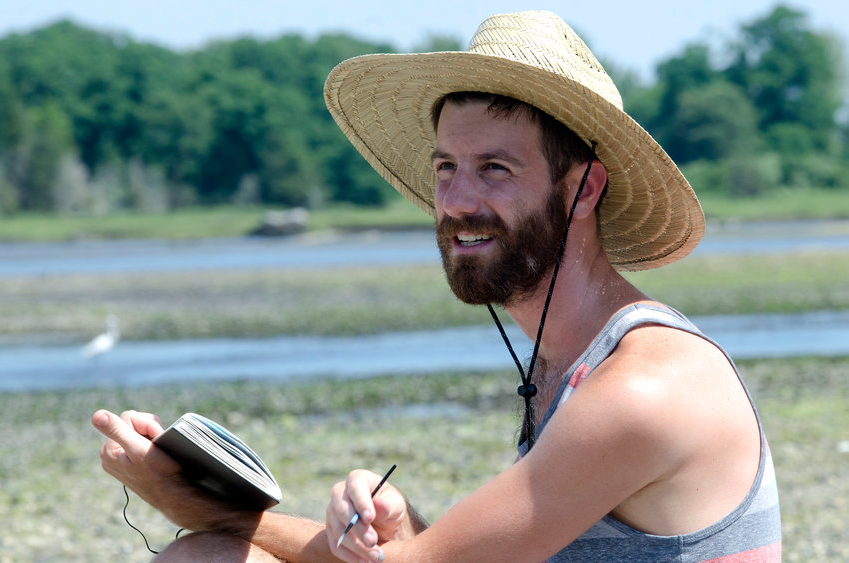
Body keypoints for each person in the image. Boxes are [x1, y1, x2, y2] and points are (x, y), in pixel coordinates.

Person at [93, 10, 781, 562]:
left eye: (495, 169)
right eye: (446, 166)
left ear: (583, 188)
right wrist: (397, 528)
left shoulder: (642, 387)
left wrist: (196, 502)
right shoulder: (563, 365)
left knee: (211, 554)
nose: (456, 200)